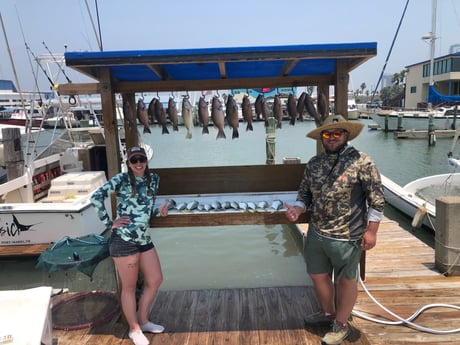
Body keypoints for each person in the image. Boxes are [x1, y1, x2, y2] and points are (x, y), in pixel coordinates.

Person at [285, 115, 384, 345]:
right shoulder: (314, 163)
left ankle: (341, 325)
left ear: (346, 135)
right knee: (317, 275)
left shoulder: (362, 161)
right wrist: (298, 210)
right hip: (317, 234)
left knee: (346, 281)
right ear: (322, 138)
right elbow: (305, 194)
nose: (331, 138)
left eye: (336, 134)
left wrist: (372, 231)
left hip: (348, 236)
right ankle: (328, 313)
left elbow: (377, 200)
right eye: (327, 134)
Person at [91, 146, 168, 345]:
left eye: (141, 159)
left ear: (146, 160)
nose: (138, 163)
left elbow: (147, 210)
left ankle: (143, 320)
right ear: (128, 163)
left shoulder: (154, 179)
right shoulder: (121, 179)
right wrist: (110, 223)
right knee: (129, 287)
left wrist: (161, 212)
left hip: (144, 240)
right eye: (134, 160)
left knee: (156, 279)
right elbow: (96, 197)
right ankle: (134, 329)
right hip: (124, 241)